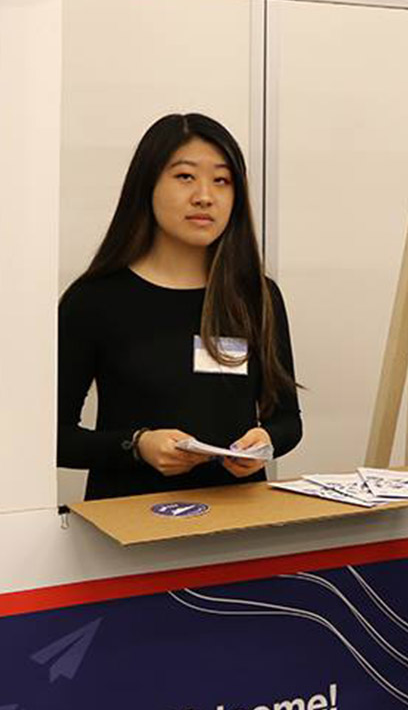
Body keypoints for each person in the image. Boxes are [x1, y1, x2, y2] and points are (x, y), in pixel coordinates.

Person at [58, 112, 301, 500]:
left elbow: (288, 421)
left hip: (239, 523)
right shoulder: (93, 300)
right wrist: (136, 445)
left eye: (221, 180)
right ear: (147, 185)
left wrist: (265, 442)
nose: (205, 195)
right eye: (185, 176)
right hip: (127, 530)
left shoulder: (257, 296)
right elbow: (52, 438)